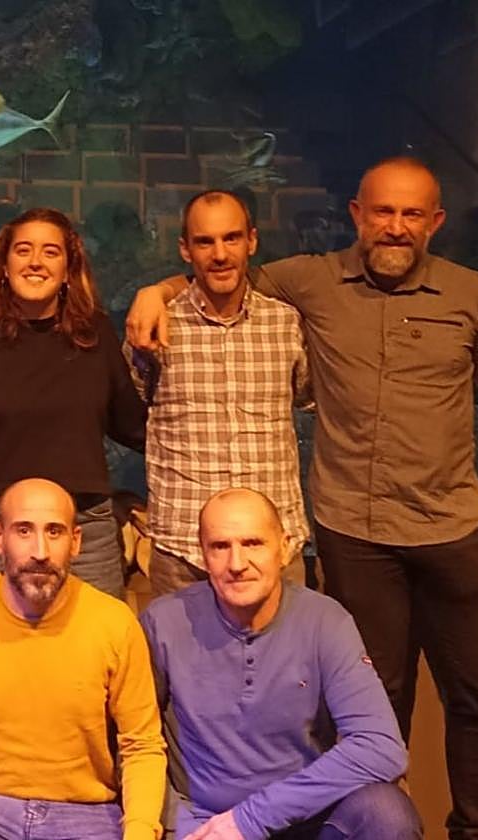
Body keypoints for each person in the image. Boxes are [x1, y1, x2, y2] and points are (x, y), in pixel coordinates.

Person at [126, 156, 478, 839]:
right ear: (357, 215)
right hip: (324, 533)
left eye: (412, 214)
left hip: (435, 527)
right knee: (359, 699)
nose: (395, 226)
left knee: (468, 695)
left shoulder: (463, 294)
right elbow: (210, 284)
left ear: (435, 222)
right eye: (382, 211)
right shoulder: (301, 286)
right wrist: (154, 289)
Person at [141, 488, 420, 840]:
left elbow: (381, 746)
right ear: (203, 554)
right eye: (220, 546)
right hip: (205, 825)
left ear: (284, 548)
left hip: (303, 819)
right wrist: (181, 825)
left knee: (386, 813)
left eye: (253, 543)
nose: (237, 563)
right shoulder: (164, 622)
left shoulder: (325, 621)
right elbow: (131, 746)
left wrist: (249, 820)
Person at [0, 477, 165, 840]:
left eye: (54, 531)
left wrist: (140, 829)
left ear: (76, 541)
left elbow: (141, 744)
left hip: (85, 814)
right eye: (24, 531)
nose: (40, 551)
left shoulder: (114, 622)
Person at [0, 207, 146, 599]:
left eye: (50, 252)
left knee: (99, 633)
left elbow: (132, 424)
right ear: (4, 266)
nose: (35, 262)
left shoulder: (96, 337)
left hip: (84, 522)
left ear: (69, 269)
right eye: (23, 250)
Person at [124, 190, 309, 596]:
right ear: (185, 249)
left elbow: (307, 396)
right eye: (205, 242)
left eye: (232, 238)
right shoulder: (156, 325)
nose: (220, 254)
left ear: (252, 241)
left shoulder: (286, 324)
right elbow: (131, 405)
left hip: (274, 547)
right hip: (185, 550)